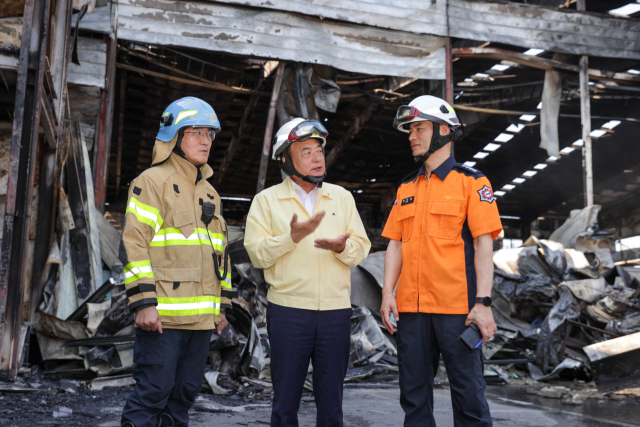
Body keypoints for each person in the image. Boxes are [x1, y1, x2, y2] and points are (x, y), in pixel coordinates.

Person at [380, 95, 503, 427]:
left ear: (444, 131)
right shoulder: (406, 187)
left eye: (419, 128)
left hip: (457, 311)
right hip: (412, 312)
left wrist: (483, 303)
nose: (411, 136)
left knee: (469, 396)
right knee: (414, 397)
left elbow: (483, 246)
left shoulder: (472, 183)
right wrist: (387, 293)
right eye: (410, 130)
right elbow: (394, 244)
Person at [244, 118, 371, 427]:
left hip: (335, 313)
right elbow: (256, 254)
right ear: (285, 158)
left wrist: (343, 248)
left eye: (319, 151)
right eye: (307, 152)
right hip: (288, 313)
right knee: (285, 403)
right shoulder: (266, 201)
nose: (317, 158)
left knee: (332, 404)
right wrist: (293, 237)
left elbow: (361, 246)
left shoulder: (341, 197)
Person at [120, 97, 236, 427]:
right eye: (196, 132)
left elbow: (221, 257)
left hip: (201, 322)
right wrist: (143, 304)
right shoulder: (152, 181)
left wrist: (221, 309)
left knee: (184, 396)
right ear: (174, 136)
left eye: (210, 134)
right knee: (152, 393)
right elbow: (134, 244)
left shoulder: (211, 194)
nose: (205, 141)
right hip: (163, 319)